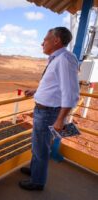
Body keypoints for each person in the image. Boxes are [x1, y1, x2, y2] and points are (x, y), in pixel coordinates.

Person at [19, 27, 79, 191]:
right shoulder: (56, 58)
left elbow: (71, 93)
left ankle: (37, 181)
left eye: (45, 40)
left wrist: (61, 119)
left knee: (41, 148)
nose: (41, 43)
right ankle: (34, 170)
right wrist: (36, 91)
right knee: (37, 145)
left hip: (48, 113)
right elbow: (54, 86)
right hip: (43, 111)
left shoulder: (64, 60)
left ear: (56, 40)